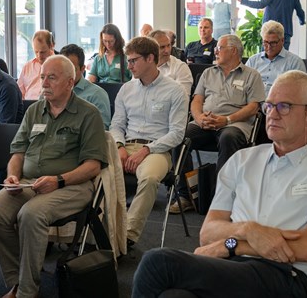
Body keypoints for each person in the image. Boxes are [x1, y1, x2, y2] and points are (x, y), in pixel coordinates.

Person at [133, 70, 307, 298]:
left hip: (283, 275)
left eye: (284, 106)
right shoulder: (243, 159)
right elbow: (208, 234)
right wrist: (248, 230)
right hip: (230, 267)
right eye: (269, 106)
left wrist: (232, 245)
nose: (272, 114)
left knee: (158, 263)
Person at [0, 55, 107, 298]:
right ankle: (18, 281)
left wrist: (58, 180)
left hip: (72, 185)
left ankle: (26, 292)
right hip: (30, 183)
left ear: (70, 82)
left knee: (31, 214)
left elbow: (93, 166)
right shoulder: (34, 111)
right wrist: (13, 177)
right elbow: (18, 153)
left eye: (52, 77)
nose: (44, 83)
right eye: (42, 77)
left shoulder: (88, 114)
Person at [110, 37, 188, 246]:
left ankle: (127, 235)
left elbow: (177, 133)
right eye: (129, 60)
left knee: (150, 178)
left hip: (157, 150)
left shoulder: (175, 90)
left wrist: (146, 150)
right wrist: (119, 146)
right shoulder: (126, 89)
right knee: (96, 171)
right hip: (125, 145)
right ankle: (99, 230)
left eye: (134, 60)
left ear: (150, 58)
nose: (129, 66)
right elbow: (116, 125)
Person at [173, 35, 264, 213]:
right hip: (205, 121)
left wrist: (227, 119)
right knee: (178, 136)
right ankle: (184, 195)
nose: (215, 51)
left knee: (228, 137)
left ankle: (221, 198)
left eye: (219, 48)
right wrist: (199, 118)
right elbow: (196, 101)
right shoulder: (208, 73)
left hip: (234, 124)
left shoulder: (252, 75)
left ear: (233, 51)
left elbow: (254, 107)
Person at [233, 0, 306, 50]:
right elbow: (300, 11)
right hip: (285, 31)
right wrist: (302, 21)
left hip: (270, 31)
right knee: (283, 56)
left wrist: (242, 0)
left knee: (266, 55)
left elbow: (261, 4)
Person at [246, 20, 306, 96]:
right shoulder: (253, 61)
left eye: (273, 43)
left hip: (280, 101)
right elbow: (243, 84)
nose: (269, 47)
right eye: (265, 42)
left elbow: (300, 90)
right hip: (253, 100)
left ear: (282, 41)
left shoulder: (294, 63)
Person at [60, 43, 112, 129]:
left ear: (82, 69)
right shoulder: (50, 92)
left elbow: (101, 129)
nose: (66, 74)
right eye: (62, 69)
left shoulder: (96, 95)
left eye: (72, 69)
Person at [149, 29, 193, 96]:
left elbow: (182, 97)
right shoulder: (144, 66)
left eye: (168, 45)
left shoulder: (180, 67)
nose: (167, 50)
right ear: (152, 49)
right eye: (162, 47)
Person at [17, 30, 55, 100]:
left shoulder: (59, 66)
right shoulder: (27, 66)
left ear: (51, 46)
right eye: (36, 52)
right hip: (28, 105)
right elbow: (18, 93)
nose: (39, 56)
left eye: (42, 52)